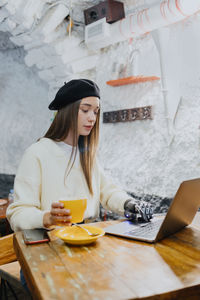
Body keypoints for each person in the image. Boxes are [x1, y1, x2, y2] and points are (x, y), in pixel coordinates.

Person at [7, 79, 152, 232]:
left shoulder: (87, 155)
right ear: (68, 110)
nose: (92, 118)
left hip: (89, 236)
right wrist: (47, 218)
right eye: (85, 110)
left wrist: (130, 204)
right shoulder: (37, 153)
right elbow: (18, 214)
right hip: (52, 242)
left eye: (96, 111)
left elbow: (108, 192)